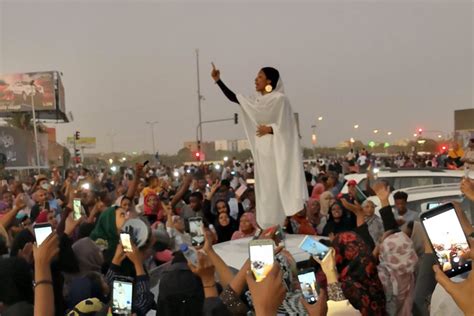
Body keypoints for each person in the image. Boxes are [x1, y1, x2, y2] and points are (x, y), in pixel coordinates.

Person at [212, 63, 308, 228]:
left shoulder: (280, 100)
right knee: (264, 191)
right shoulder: (257, 101)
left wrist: (270, 129)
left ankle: (278, 224)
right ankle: (266, 226)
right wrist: (218, 80)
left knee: (275, 189)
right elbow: (236, 98)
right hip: (262, 154)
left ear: (269, 81)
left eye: (260, 77)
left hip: (276, 153)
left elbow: (289, 128)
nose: (255, 80)